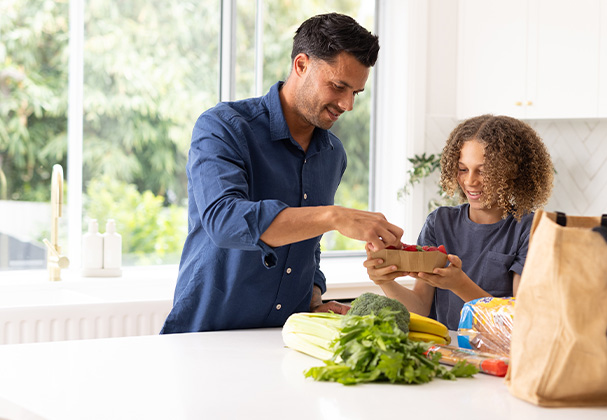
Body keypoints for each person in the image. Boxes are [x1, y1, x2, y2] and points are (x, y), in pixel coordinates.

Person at [162, 13, 403, 334]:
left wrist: (314, 297)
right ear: (301, 65)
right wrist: (333, 216)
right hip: (207, 335)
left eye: (355, 93)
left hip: (285, 338)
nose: (348, 105)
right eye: (338, 86)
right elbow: (224, 221)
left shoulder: (333, 154)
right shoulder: (223, 126)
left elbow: (309, 246)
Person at [363, 115, 554, 330]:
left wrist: (459, 284)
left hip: (499, 350)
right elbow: (420, 307)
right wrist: (385, 280)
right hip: (447, 347)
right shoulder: (439, 222)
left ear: (512, 173)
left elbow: (519, 319)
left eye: (484, 171)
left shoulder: (531, 229)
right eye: (463, 169)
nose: (470, 180)